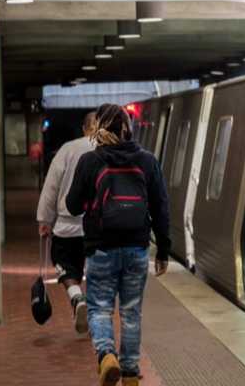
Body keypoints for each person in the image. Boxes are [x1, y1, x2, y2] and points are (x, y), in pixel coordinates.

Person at [66, 103, 171, 386]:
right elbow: (161, 207)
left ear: (100, 128)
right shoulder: (147, 161)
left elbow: (72, 206)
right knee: (131, 312)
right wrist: (163, 249)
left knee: (99, 308)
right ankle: (129, 374)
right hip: (137, 247)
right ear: (127, 127)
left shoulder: (90, 161)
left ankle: (106, 356)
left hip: (101, 247)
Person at [36, 112, 97, 334]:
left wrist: (44, 219)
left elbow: (51, 185)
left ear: (84, 128)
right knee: (95, 269)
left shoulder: (68, 149)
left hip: (66, 226)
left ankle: (76, 297)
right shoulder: (109, 150)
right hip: (97, 227)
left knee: (65, 266)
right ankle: (97, 316)